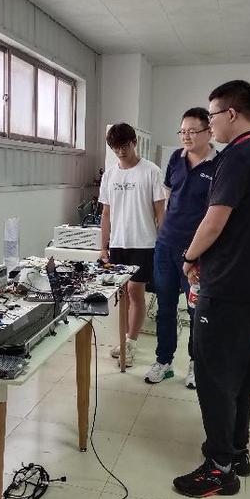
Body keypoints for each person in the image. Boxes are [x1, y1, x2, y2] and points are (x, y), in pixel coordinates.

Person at [173, 80, 250, 498]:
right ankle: (236, 451)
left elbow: (214, 221)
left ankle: (219, 468)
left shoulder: (236, 156)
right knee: (239, 371)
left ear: (231, 113)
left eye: (212, 115)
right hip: (249, 285)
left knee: (214, 375)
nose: (209, 124)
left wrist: (189, 256)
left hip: (226, 286)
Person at [145, 108, 219, 389]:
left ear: (209, 132)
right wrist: (162, 234)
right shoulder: (176, 158)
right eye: (182, 131)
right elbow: (168, 199)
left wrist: (197, 253)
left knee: (196, 311)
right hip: (166, 247)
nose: (186, 136)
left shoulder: (219, 165)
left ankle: (195, 364)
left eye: (192, 131)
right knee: (165, 307)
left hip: (197, 252)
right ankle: (163, 361)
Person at [99, 123, 166, 367]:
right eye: (115, 148)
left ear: (134, 142)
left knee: (135, 291)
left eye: (124, 146)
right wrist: (103, 246)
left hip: (144, 243)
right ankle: (124, 338)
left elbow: (161, 212)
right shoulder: (109, 175)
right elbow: (106, 213)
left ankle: (132, 342)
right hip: (118, 243)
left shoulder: (151, 171)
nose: (120, 152)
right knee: (122, 295)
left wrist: (163, 243)